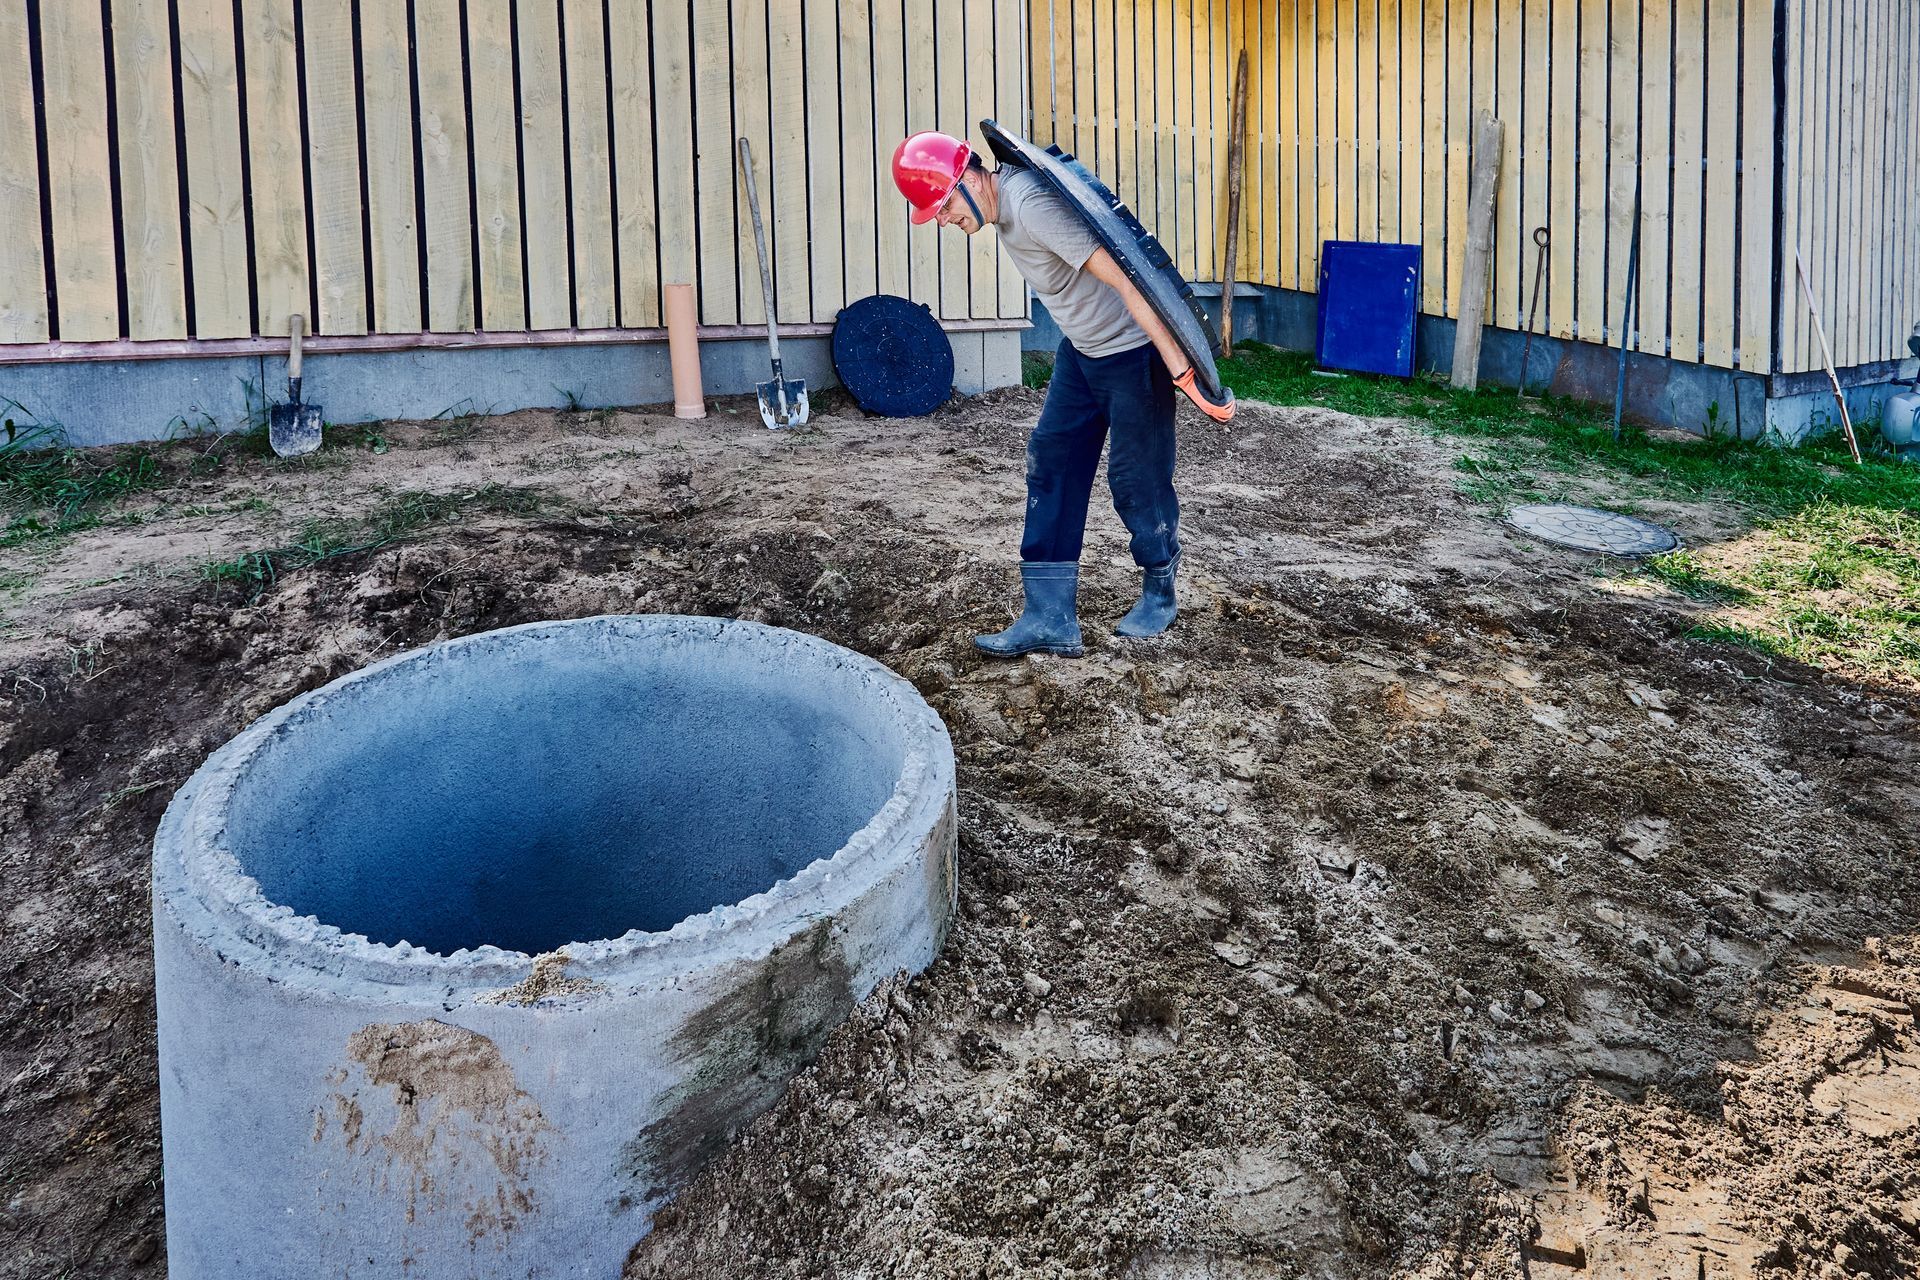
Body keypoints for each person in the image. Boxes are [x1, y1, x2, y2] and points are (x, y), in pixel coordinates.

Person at [890, 130, 1233, 660]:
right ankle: (1048, 615)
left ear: (968, 179)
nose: (941, 220)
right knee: (1052, 462)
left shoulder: (1029, 207)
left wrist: (1181, 371)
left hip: (1132, 354)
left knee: (1135, 479)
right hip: (1082, 354)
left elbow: (1126, 278)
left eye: (942, 206)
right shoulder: (1000, 209)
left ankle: (1160, 585)